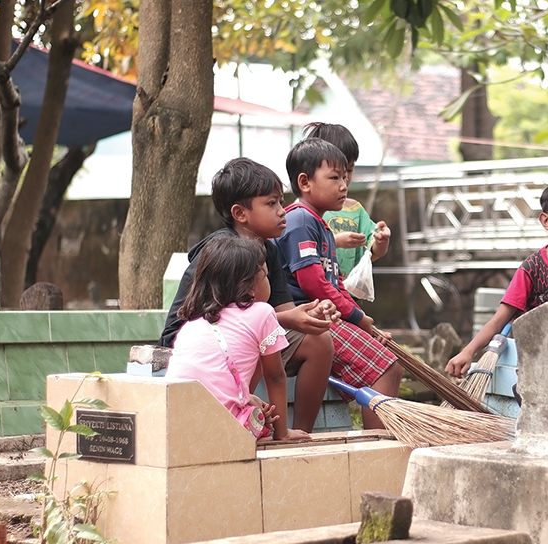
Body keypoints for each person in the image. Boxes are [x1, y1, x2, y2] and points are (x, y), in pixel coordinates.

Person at [159, 158, 336, 433]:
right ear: (240, 213)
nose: (282, 211)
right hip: (198, 341)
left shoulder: (269, 249)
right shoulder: (218, 252)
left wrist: (309, 314)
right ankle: (252, 421)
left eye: (280, 202)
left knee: (318, 341)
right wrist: (287, 318)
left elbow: (283, 312)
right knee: (258, 340)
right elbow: (206, 316)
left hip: (242, 337)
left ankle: (302, 431)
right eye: (271, 204)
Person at [274, 138, 404, 430]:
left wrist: (362, 321)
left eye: (345, 177)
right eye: (334, 178)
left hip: (327, 317)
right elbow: (314, 284)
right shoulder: (300, 222)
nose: (344, 185)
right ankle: (375, 448)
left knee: (393, 363)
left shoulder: (320, 224)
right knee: (384, 367)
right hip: (306, 319)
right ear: (304, 182)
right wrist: (358, 318)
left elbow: (335, 283)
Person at [444, 179, 548, 378]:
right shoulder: (531, 269)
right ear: (546, 220)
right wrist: (468, 351)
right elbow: (499, 320)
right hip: (547, 350)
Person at [165, 236, 311, 442]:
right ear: (249, 286)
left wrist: (247, 398)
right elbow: (276, 376)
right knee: (260, 422)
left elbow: (211, 382)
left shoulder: (192, 324)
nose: (269, 282)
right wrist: (283, 433)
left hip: (177, 424)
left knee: (253, 408)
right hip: (221, 430)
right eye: (266, 277)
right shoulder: (262, 313)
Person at [304, 122, 392, 278]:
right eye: (335, 176)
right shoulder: (303, 213)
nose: (344, 182)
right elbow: (301, 252)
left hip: (348, 296)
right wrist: (334, 242)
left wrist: (381, 240)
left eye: (348, 171)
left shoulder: (355, 210)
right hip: (316, 296)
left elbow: (375, 250)